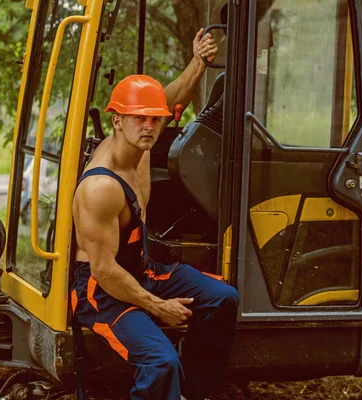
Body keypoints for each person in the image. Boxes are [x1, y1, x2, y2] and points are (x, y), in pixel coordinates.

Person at [70, 28, 239, 400]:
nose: (148, 126)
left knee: (223, 299)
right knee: (161, 362)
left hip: (140, 268)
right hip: (102, 289)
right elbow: (104, 270)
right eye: (138, 118)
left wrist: (199, 62)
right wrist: (158, 307)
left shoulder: (141, 141)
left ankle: (194, 393)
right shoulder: (100, 189)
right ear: (117, 120)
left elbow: (170, 96)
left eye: (155, 119)